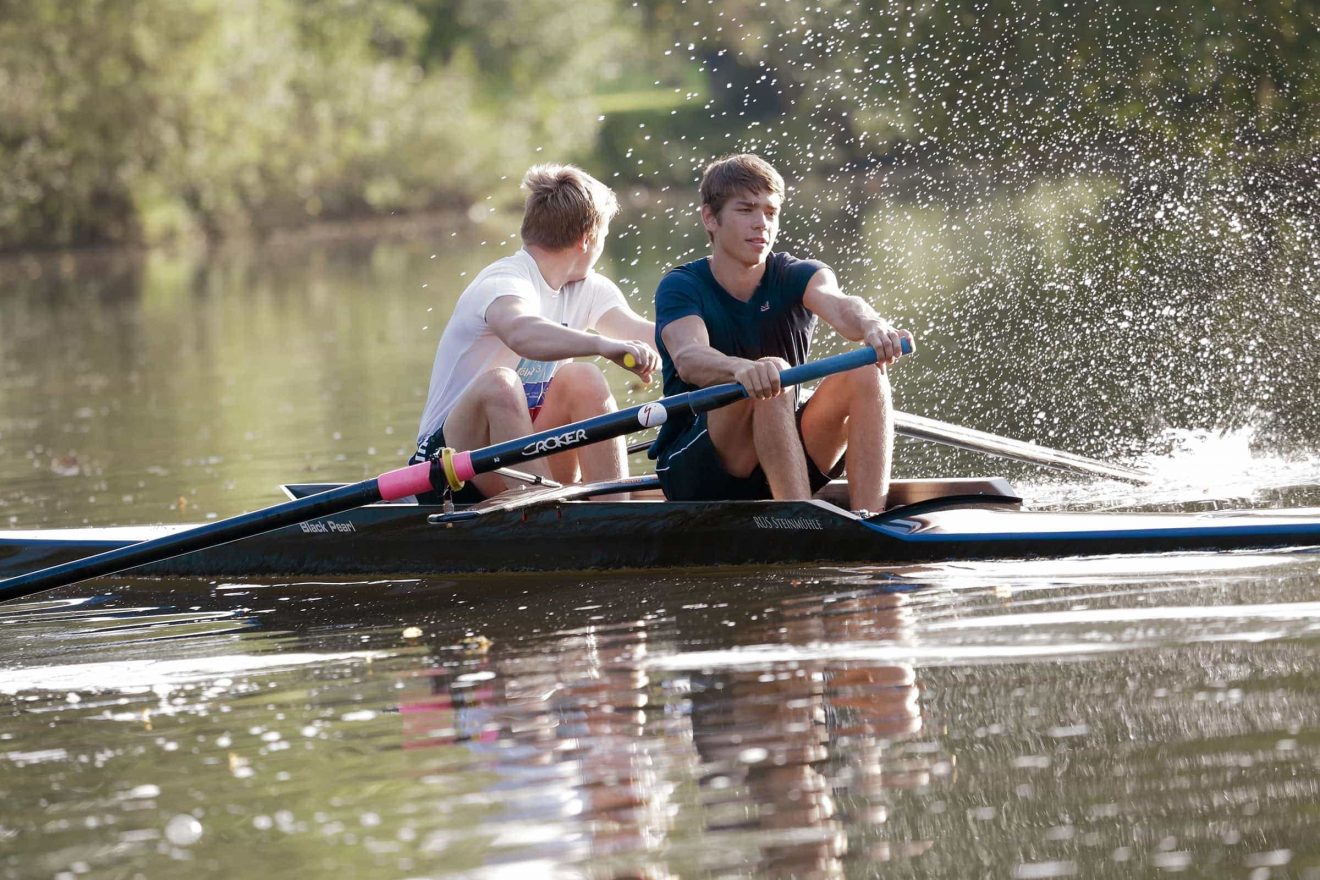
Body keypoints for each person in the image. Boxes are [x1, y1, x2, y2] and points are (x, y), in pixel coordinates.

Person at [650, 153, 914, 513]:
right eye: (746, 210)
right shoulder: (681, 285)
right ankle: (800, 520)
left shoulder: (795, 273)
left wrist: (873, 325)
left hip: (783, 446)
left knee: (866, 373)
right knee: (773, 372)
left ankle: (870, 519)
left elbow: (840, 304)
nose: (762, 224)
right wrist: (741, 369)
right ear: (710, 218)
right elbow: (689, 358)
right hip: (700, 469)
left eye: (771, 212)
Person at [412, 164, 659, 503]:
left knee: (583, 378)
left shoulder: (589, 289)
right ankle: (549, 512)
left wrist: (733, 357)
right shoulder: (504, 281)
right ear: (587, 239)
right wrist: (601, 345)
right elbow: (521, 333)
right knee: (501, 384)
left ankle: (612, 515)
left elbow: (647, 334)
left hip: (529, 460)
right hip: (452, 466)